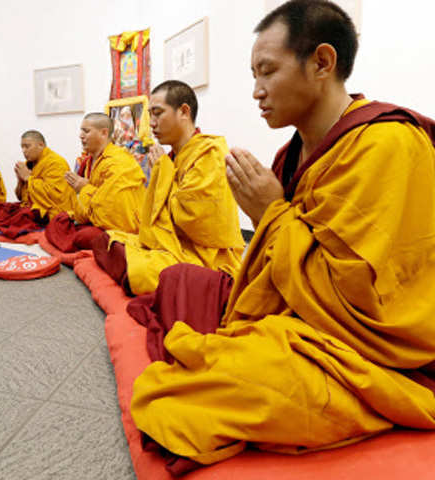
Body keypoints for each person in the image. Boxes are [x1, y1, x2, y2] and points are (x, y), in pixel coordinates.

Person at [128, 0, 435, 474]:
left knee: (183, 394)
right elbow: (268, 267)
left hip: (369, 350)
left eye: (267, 72)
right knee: (178, 283)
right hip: (297, 318)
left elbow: (370, 299)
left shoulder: (388, 144)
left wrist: (270, 212)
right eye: (254, 75)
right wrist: (271, 217)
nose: (256, 91)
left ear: (322, 63)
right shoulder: (286, 157)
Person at [93, 80, 244, 295]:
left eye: (157, 113)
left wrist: (162, 172)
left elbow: (195, 220)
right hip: (170, 245)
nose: (151, 123)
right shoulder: (171, 157)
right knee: (105, 240)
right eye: (150, 115)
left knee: (149, 271)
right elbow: (151, 214)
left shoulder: (208, 153)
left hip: (203, 254)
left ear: (183, 111)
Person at [44, 113, 146, 252]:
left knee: (85, 237)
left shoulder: (119, 161)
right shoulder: (90, 162)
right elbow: (88, 204)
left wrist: (84, 188)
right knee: (59, 221)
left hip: (122, 228)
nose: (81, 135)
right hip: (97, 219)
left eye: (86, 131)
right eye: (81, 131)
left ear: (104, 133)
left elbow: (115, 210)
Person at [0, 130, 76, 238]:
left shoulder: (56, 162)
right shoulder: (29, 164)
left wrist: (28, 178)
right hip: (29, 206)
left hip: (48, 210)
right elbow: (20, 197)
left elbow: (55, 196)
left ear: (41, 145)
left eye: (27, 146)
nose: (24, 151)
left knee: (21, 217)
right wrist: (21, 181)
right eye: (22, 147)